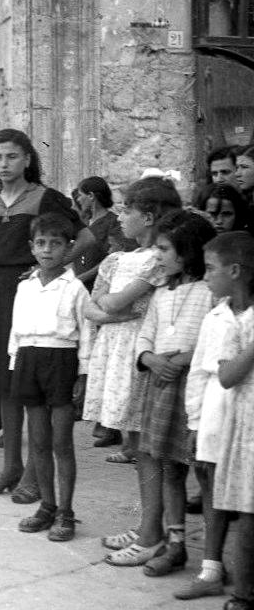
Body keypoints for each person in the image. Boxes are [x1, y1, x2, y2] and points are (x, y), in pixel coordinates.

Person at [0, 129, 91, 502]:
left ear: (27, 159)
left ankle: (37, 476)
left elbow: (85, 238)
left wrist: (47, 268)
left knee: (30, 382)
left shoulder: (46, 198)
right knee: (2, 382)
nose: (3, 164)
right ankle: (11, 467)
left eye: (11, 157)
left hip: (31, 298)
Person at [105, 211, 215, 571]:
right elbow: (146, 333)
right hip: (158, 383)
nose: (158, 257)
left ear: (187, 253)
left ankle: (206, 556)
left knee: (196, 469)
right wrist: (150, 358)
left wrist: (182, 359)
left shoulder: (207, 292)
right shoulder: (162, 293)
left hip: (191, 387)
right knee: (163, 464)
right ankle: (169, 541)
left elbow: (212, 339)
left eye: (164, 249)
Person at [176, 231, 254, 601]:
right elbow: (200, 372)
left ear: (235, 271)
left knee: (244, 491)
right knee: (212, 485)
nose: (205, 276)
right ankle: (211, 568)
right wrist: (194, 421)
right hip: (214, 408)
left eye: (211, 269)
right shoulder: (216, 315)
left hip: (246, 411)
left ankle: (243, 576)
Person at [83, 177, 182, 464]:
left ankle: (140, 449)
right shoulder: (118, 258)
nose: (121, 218)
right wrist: (113, 314)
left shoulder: (155, 260)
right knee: (121, 394)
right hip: (118, 332)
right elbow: (92, 306)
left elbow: (113, 299)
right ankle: (130, 446)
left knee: (134, 393)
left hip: (136, 338)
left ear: (148, 217)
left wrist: (108, 304)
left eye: (127, 212)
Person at [8, 214, 91, 542]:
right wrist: (16, 366)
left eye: (55, 244)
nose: (47, 250)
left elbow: (87, 334)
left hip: (61, 361)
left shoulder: (75, 288)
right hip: (29, 360)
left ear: (68, 248)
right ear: (32, 247)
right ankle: (47, 505)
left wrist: (82, 375)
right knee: (39, 440)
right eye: (41, 243)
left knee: (61, 441)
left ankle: (66, 512)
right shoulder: (24, 286)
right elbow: (16, 332)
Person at [212, 259, 254, 610]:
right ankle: (241, 597)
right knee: (248, 515)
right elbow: (226, 375)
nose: (209, 274)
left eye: (213, 267)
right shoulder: (236, 320)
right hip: (248, 422)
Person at [73, 176, 132, 291]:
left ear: (91, 196)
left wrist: (82, 278)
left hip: (98, 288)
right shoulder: (84, 223)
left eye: (80, 195)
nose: (78, 200)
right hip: (80, 288)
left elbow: (113, 258)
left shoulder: (113, 223)